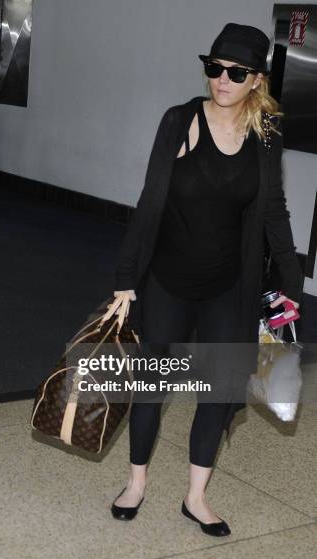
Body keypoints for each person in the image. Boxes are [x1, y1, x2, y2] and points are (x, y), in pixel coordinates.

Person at [110, 23, 302, 537]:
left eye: (235, 73)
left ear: (256, 81)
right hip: (169, 278)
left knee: (216, 392)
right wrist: (127, 278)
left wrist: (290, 277)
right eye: (214, 68)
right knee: (152, 385)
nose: (221, 79)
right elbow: (149, 200)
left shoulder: (265, 135)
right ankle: (136, 483)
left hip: (228, 285)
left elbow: (274, 210)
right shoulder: (179, 121)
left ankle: (196, 497)